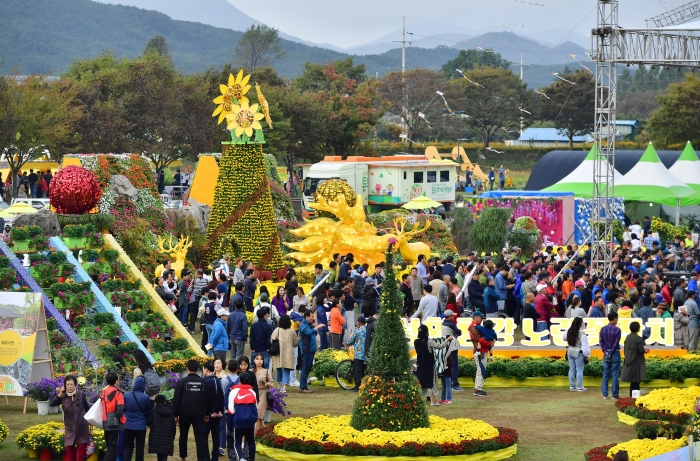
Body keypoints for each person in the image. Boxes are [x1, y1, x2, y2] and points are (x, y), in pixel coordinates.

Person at [173, 359, 210, 461]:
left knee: (183, 435)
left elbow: (177, 399)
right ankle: (201, 458)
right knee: (200, 438)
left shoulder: (181, 382)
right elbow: (207, 399)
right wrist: (207, 413)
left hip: (184, 414)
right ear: (198, 369)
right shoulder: (203, 382)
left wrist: (175, 415)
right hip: (199, 414)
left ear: (186, 368)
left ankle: (183, 457)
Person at [50, 375, 90, 461]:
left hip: (82, 427)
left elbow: (87, 408)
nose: (69, 386)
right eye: (67, 384)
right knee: (70, 453)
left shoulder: (81, 395)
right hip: (69, 428)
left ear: (75, 385)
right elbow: (52, 404)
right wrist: (60, 394)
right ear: (64, 386)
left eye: (71, 384)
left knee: (80, 455)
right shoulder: (63, 396)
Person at [414, 324, 453, 406]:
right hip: (429, 366)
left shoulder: (416, 342)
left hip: (420, 365)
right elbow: (439, 346)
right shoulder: (429, 342)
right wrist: (447, 340)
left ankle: (419, 400)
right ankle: (432, 402)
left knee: (421, 382)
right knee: (431, 382)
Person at [228, 372, 258, 461]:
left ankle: (241, 458)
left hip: (239, 420)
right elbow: (255, 407)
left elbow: (231, 409)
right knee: (251, 441)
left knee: (237, 441)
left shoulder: (233, 391)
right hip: (250, 420)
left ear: (239, 380)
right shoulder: (252, 391)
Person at [123, 376, 152, 461]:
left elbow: (124, 408)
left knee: (128, 446)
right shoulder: (145, 397)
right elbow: (149, 409)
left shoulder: (127, 395)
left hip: (128, 425)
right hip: (141, 425)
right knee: (140, 447)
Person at [100, 371, 125, 461]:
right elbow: (120, 410)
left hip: (105, 421)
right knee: (113, 447)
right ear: (116, 381)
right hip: (115, 423)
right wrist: (123, 420)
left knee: (110, 446)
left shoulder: (103, 392)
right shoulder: (118, 393)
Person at [201, 362, 224, 461]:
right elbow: (223, 397)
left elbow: (205, 399)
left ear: (206, 369)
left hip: (208, 414)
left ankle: (206, 458)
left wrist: (206, 413)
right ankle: (215, 458)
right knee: (216, 436)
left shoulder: (204, 381)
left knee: (204, 436)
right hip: (218, 413)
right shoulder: (219, 380)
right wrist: (220, 411)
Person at [621, 321, 649, 397]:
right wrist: (645, 351)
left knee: (632, 381)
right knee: (636, 380)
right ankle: (635, 396)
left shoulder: (628, 337)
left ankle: (631, 395)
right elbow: (641, 350)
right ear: (638, 329)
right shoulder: (638, 338)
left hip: (628, 360)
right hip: (637, 361)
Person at [271, 315, 299, 391]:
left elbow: (272, 339)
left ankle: (279, 385)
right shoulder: (292, 331)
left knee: (279, 369)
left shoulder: (277, 330)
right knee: (287, 369)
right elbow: (295, 343)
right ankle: (285, 386)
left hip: (279, 352)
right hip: (288, 352)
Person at [469, 312, 493, 397]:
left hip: (482, 350)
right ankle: (477, 389)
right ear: (476, 317)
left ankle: (478, 388)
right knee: (481, 370)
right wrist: (489, 343)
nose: (482, 320)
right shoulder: (473, 327)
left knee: (481, 370)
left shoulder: (477, 327)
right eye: (481, 318)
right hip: (480, 351)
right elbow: (479, 339)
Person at [564, 317, 590, 392]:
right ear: (580, 324)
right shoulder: (582, 333)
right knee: (579, 370)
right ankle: (579, 386)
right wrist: (587, 355)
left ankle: (572, 386)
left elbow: (564, 338)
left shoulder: (569, 331)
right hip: (578, 352)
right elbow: (585, 346)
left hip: (569, 351)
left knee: (571, 369)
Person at [299, 309, 322, 393]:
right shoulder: (303, 325)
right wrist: (317, 327)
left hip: (311, 349)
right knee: (305, 368)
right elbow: (308, 333)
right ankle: (302, 387)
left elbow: (314, 334)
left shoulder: (309, 324)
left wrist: (314, 326)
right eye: (312, 316)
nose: (313, 318)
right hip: (306, 349)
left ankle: (304, 386)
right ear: (307, 317)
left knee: (308, 368)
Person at [148, 394, 176, 461]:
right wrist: (172, 437)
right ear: (165, 402)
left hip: (156, 436)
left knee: (159, 454)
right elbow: (173, 426)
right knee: (164, 455)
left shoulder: (154, 411)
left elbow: (148, 421)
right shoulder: (170, 412)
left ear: (155, 403)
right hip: (167, 436)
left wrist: (152, 427)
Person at [251, 353, 274, 433]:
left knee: (258, 416)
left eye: (261, 359)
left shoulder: (266, 371)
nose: (259, 361)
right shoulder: (251, 371)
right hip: (253, 394)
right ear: (254, 360)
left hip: (263, 394)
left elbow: (272, 384)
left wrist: (265, 383)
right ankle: (266, 433)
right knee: (259, 419)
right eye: (257, 359)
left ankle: (254, 436)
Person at [441, 309, 463, 393]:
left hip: (446, 346)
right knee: (454, 366)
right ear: (449, 316)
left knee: (448, 365)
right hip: (452, 347)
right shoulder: (450, 324)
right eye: (452, 315)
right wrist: (455, 334)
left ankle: (448, 384)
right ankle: (455, 385)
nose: (453, 317)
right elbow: (459, 332)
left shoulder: (443, 323)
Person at [345, 316, 367, 392]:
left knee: (357, 371)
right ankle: (363, 386)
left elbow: (351, 339)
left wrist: (347, 344)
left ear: (359, 323)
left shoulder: (358, 331)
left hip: (358, 354)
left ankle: (358, 387)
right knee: (363, 370)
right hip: (366, 354)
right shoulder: (367, 330)